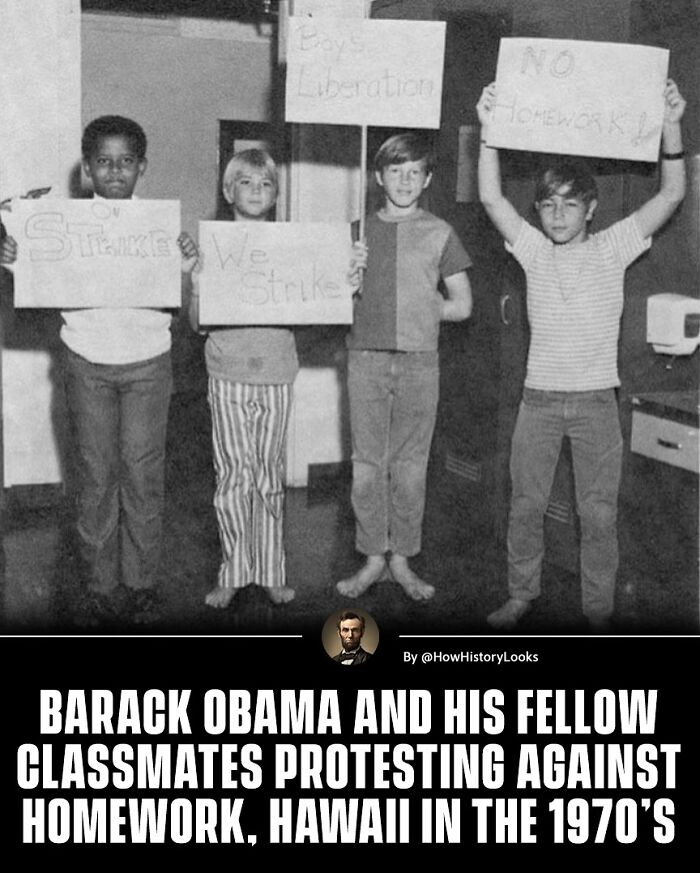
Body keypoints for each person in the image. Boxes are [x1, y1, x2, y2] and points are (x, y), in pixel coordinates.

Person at [476, 79, 687, 632]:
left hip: (595, 403)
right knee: (525, 507)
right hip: (538, 404)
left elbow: (670, 195)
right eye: (548, 204)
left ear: (590, 210)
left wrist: (670, 127)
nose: (559, 214)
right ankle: (522, 594)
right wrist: (489, 133)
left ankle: (598, 612)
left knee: (597, 515)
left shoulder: (614, 247)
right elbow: (492, 198)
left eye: (571, 204)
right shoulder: (532, 250)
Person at [0, 115, 197, 625]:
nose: (115, 172)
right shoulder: (61, 227)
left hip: (149, 362)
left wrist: (188, 266)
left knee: (142, 476)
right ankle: (99, 583)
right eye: (104, 163)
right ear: (87, 169)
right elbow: (29, 280)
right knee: (95, 478)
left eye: (126, 162)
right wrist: (13, 256)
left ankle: (141, 583)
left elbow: (187, 298)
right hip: (85, 361)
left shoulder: (162, 227)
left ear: (142, 168)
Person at [337, 131, 473, 602]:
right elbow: (334, 305)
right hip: (366, 360)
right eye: (395, 170)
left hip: (420, 362)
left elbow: (463, 306)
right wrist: (348, 280)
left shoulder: (440, 232)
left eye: (414, 171)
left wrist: (421, 305)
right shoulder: (356, 231)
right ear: (378, 176)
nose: (405, 179)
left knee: (411, 467)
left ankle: (402, 559)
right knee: (368, 466)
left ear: (428, 178)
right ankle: (373, 556)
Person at [188, 149, 322, 608]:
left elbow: (315, 301)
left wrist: (341, 278)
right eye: (246, 183)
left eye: (265, 185)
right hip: (225, 371)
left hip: (277, 371)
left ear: (276, 195)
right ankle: (232, 570)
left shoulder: (291, 246)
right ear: (229, 191)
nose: (256, 192)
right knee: (231, 476)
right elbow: (196, 324)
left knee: (268, 474)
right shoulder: (213, 245)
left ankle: (269, 570)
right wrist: (198, 286)